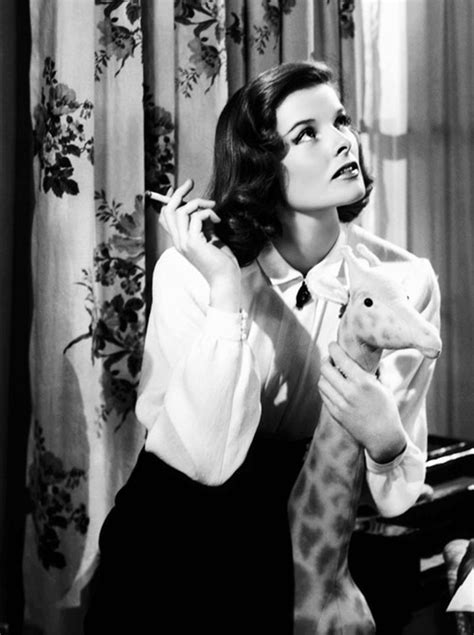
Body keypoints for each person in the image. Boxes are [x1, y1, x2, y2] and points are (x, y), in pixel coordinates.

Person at [84, 61, 440, 634]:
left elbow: (395, 498)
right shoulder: (190, 273)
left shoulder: (402, 281)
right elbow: (205, 462)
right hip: (173, 536)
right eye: (307, 133)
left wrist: (385, 438)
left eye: (341, 121)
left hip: (304, 532)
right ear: (262, 166)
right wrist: (227, 293)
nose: (343, 142)